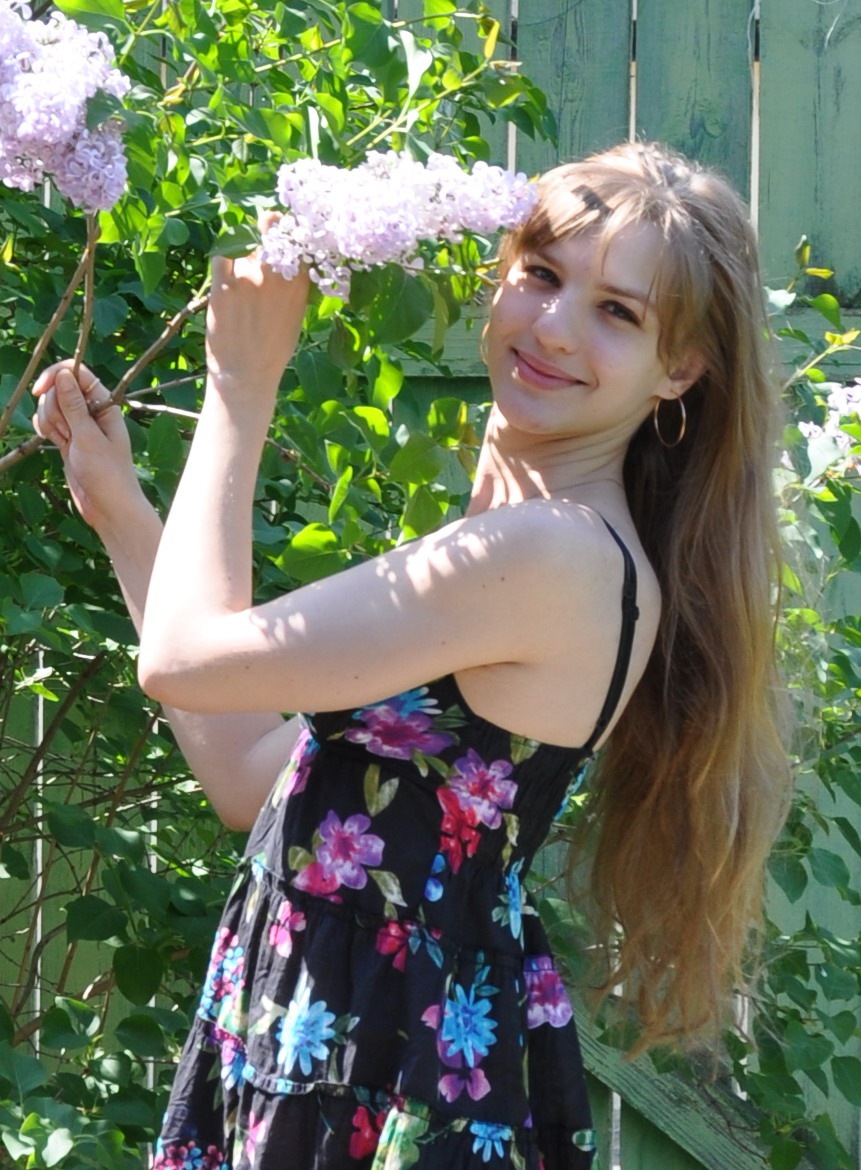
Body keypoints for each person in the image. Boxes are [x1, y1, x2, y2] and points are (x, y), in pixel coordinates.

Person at [33, 141, 791, 1170]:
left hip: (381, 1064)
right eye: (541, 273)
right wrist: (122, 513)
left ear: (680, 368)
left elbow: (179, 657)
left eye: (618, 311)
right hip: (343, 1038)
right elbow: (249, 779)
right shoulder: (539, 543)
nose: (553, 326)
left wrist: (240, 382)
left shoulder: (550, 553)